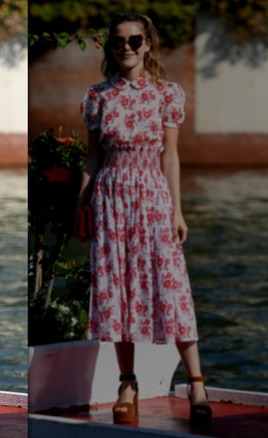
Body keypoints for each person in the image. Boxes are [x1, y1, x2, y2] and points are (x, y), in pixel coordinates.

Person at [78, 12, 211, 427]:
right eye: (119, 41)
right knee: (117, 289)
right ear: (111, 47)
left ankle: (197, 384)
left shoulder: (166, 94)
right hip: (110, 197)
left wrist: (177, 209)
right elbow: (93, 156)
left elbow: (171, 155)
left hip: (152, 196)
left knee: (171, 287)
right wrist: (81, 203)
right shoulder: (98, 96)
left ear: (148, 43)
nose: (127, 47)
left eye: (135, 40)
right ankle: (127, 384)